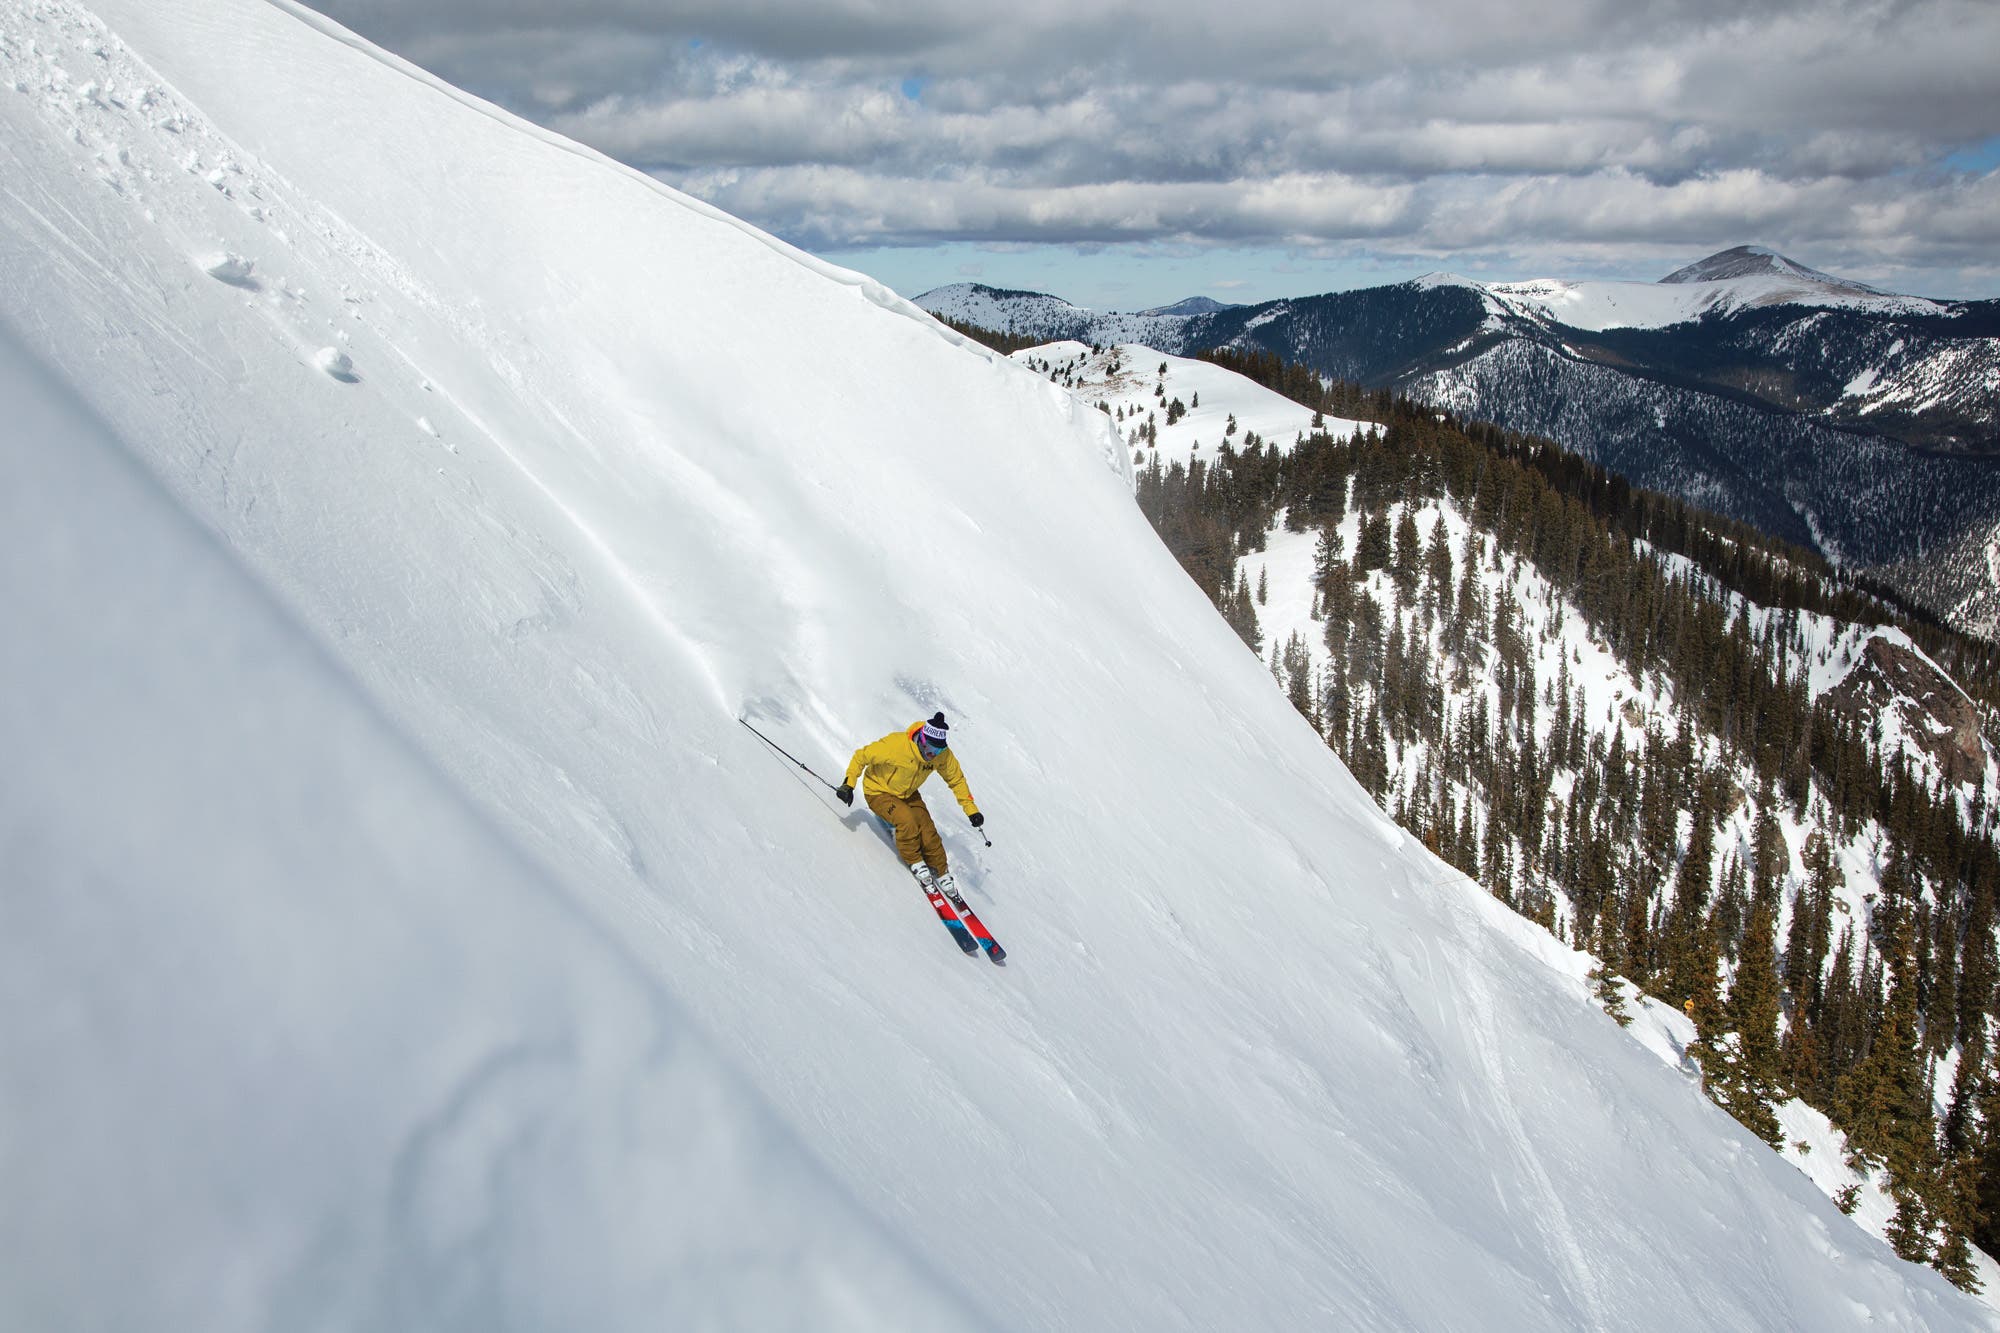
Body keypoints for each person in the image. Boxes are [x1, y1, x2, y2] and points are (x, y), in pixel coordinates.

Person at [836, 712, 984, 894]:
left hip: (908, 793)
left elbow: (956, 780)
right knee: (907, 821)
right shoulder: (896, 745)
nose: (933, 754)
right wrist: (848, 785)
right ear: (922, 739)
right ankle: (915, 861)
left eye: (938, 750)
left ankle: (940, 870)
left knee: (928, 831)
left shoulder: (942, 755)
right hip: (879, 791)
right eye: (931, 748)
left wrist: (972, 810)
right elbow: (861, 756)